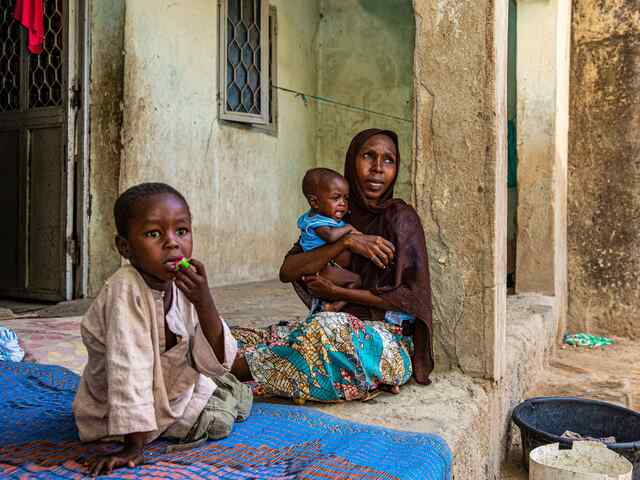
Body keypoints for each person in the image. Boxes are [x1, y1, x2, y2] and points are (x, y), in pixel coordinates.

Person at [231, 129, 434, 403]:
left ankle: (236, 371)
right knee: (238, 336)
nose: (377, 169)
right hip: (330, 328)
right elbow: (288, 270)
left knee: (325, 332)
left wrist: (337, 292)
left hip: (385, 343)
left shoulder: (402, 219)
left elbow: (409, 299)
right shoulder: (334, 215)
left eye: (388, 161)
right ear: (352, 161)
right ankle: (260, 366)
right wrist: (346, 242)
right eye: (368, 157)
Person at [73, 183, 252, 476]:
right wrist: (133, 448)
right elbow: (127, 366)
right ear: (124, 247)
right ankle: (140, 431)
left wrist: (204, 301)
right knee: (219, 418)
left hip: (168, 394)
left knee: (225, 384)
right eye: (153, 234)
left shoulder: (181, 282)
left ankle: (216, 396)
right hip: (120, 413)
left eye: (181, 231)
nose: (172, 243)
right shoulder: (125, 288)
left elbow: (216, 358)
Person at [297, 167, 362, 312]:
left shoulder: (326, 218)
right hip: (322, 269)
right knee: (356, 281)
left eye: (346, 198)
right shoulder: (316, 222)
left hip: (329, 266)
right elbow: (331, 236)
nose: (343, 203)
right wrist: (349, 228)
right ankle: (334, 306)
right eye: (336, 198)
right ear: (314, 202)